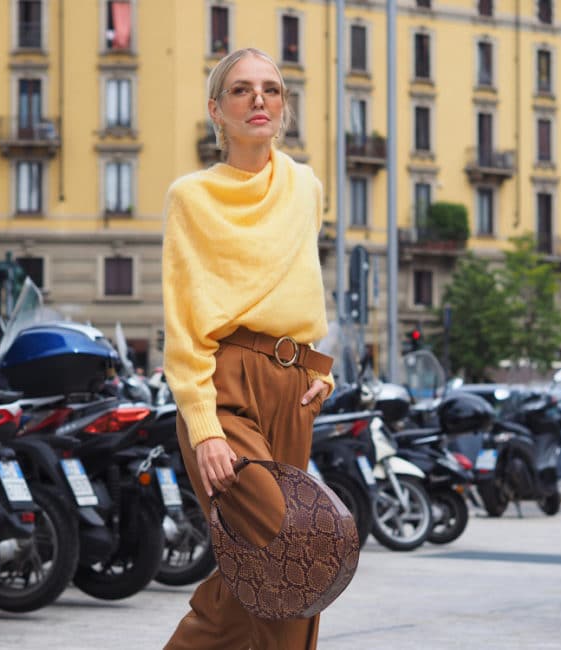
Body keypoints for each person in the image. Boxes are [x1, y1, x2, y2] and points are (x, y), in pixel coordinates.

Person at [161, 47, 335, 650]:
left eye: (271, 89)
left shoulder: (305, 187)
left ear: (283, 108)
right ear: (217, 109)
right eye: (241, 90)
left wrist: (320, 368)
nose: (258, 99)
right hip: (223, 384)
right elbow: (183, 321)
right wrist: (204, 425)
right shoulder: (192, 197)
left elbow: (301, 283)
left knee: (266, 573)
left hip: (293, 388)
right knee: (295, 544)